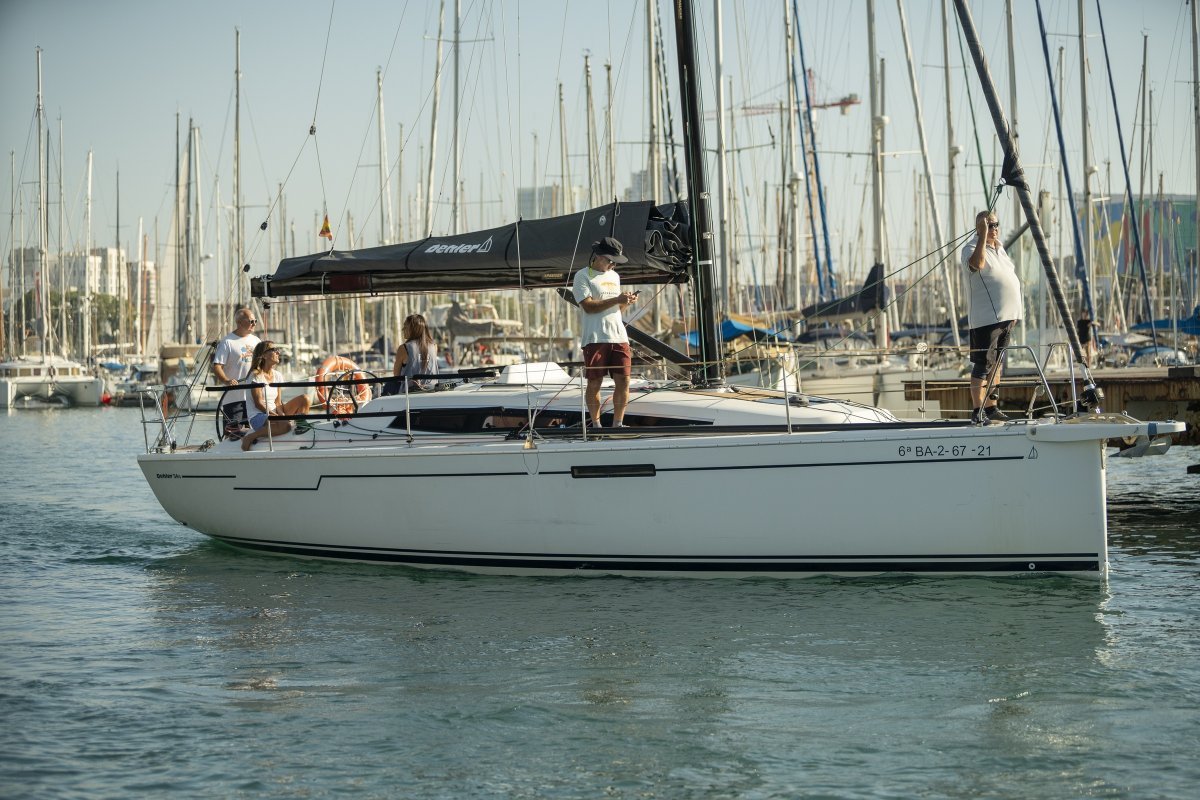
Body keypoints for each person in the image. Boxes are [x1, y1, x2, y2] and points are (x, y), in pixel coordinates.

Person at [962, 210, 1024, 424]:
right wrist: (982, 235)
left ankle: (991, 408)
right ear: (980, 228)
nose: (994, 229)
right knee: (983, 365)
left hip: (1006, 317)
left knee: (997, 364)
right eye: (989, 225)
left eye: (996, 224)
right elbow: (977, 264)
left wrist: (1014, 313)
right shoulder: (971, 248)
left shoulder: (1000, 248)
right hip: (987, 319)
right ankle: (977, 410)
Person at [571, 236, 637, 428]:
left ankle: (618, 424)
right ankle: (596, 425)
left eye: (615, 262)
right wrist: (617, 299)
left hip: (619, 336)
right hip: (595, 338)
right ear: (598, 256)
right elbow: (589, 307)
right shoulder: (582, 276)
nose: (613, 265)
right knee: (595, 382)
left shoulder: (614, 276)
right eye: (610, 261)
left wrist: (625, 302)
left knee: (624, 380)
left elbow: (616, 309)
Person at [240, 340, 312, 451]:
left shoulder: (277, 375)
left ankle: (300, 427)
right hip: (258, 416)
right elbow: (259, 404)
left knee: (305, 399)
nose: (278, 352)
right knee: (286, 425)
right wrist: (279, 418)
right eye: (274, 350)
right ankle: (250, 437)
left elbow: (278, 402)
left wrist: (282, 415)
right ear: (264, 355)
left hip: (274, 412)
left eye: (278, 350)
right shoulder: (255, 375)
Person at [212, 307, 261, 431]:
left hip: (253, 399)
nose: (254, 324)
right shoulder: (227, 342)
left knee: (254, 433)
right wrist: (227, 381)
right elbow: (217, 366)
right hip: (234, 399)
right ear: (239, 322)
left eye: (255, 321)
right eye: (251, 321)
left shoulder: (256, 341)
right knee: (233, 434)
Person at [392, 314, 439, 392]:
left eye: (405, 327)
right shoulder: (434, 346)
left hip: (410, 393)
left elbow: (396, 375)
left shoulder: (404, 348)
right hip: (433, 390)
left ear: (414, 329)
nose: (403, 329)